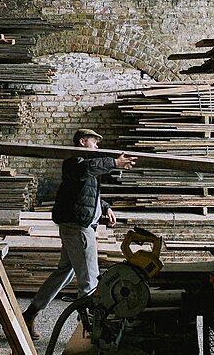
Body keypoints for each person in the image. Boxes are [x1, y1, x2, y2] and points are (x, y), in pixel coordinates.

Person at [22, 128, 137, 339]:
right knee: (89, 281)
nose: (98, 147)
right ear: (83, 141)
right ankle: (90, 332)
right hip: (78, 229)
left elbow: (86, 192)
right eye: (95, 142)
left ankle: (30, 314)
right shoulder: (73, 162)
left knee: (63, 274)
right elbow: (84, 172)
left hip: (76, 227)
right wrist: (113, 163)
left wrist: (105, 206)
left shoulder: (85, 165)